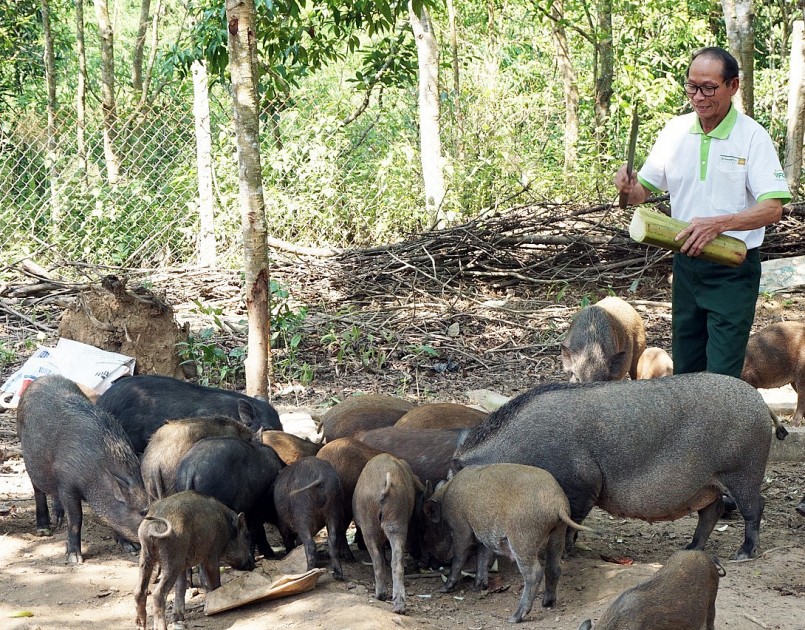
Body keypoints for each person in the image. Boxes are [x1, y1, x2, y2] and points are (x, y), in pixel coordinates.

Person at [614, 46, 792, 378]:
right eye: (692, 87)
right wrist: (626, 188)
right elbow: (639, 194)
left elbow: (772, 209)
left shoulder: (752, 137)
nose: (698, 96)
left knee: (721, 375)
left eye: (709, 87)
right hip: (686, 266)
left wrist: (720, 224)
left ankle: (726, 429)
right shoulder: (675, 131)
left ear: (733, 86)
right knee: (687, 370)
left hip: (732, 269)